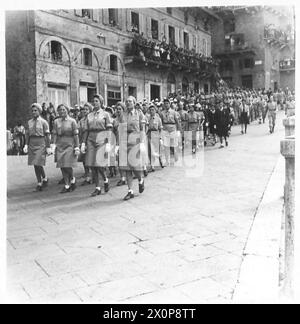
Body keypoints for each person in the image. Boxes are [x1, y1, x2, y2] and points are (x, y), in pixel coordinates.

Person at [81, 94, 112, 197]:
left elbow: (109, 129)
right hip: (91, 138)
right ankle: (97, 187)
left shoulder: (105, 114)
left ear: (101, 102)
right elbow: (86, 130)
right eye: (93, 101)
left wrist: (108, 142)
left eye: (97, 101)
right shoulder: (89, 115)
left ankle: (105, 179)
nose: (95, 103)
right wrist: (83, 143)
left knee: (99, 164)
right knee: (91, 164)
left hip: (101, 138)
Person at [118, 96, 146, 201]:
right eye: (127, 101)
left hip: (136, 140)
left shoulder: (139, 114)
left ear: (134, 103)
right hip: (125, 141)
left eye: (130, 101)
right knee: (127, 168)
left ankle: (140, 179)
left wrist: (142, 142)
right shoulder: (123, 115)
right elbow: (120, 130)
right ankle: (130, 191)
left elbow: (143, 129)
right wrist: (118, 144)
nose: (128, 103)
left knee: (135, 166)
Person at [52, 104, 80, 193]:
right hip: (60, 144)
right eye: (60, 110)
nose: (62, 111)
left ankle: (72, 178)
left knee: (67, 164)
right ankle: (67, 184)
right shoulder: (56, 121)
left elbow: (76, 135)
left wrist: (77, 146)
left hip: (69, 144)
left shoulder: (72, 121)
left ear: (67, 110)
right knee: (62, 165)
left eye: (64, 109)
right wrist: (53, 145)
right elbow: (55, 133)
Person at [23, 103, 51, 192]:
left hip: (41, 143)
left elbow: (47, 135)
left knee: (38, 162)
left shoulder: (44, 122)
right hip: (32, 143)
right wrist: (26, 145)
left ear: (39, 111)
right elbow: (27, 134)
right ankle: (41, 181)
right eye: (32, 111)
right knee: (35, 164)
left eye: (36, 110)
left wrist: (48, 146)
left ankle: (43, 179)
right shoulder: (29, 122)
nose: (34, 112)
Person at [160, 98, 181, 166]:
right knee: (166, 146)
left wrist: (178, 131)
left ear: (169, 104)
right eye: (165, 103)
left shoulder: (174, 112)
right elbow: (161, 122)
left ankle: (176, 158)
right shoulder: (162, 113)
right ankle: (167, 161)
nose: (166, 105)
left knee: (174, 145)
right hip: (165, 130)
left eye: (167, 103)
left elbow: (177, 122)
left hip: (173, 130)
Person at [78, 103, 93, 186]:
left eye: (87, 109)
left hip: (91, 140)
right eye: (84, 109)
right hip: (83, 140)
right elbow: (78, 130)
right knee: (84, 160)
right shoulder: (81, 120)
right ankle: (87, 176)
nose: (85, 111)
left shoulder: (92, 119)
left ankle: (93, 176)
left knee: (90, 160)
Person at [113, 102, 127, 187]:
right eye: (117, 109)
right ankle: (123, 178)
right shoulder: (115, 120)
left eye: (120, 109)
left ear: (123, 109)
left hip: (127, 141)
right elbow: (114, 132)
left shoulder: (126, 118)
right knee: (120, 161)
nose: (118, 111)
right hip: (118, 142)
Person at [146, 104, 162, 172]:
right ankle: (152, 165)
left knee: (157, 149)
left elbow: (160, 128)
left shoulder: (158, 119)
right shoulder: (147, 118)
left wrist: (160, 136)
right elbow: (146, 127)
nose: (151, 111)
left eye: (153, 110)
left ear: (155, 110)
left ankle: (160, 159)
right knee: (150, 150)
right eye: (150, 110)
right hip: (150, 134)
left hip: (156, 134)